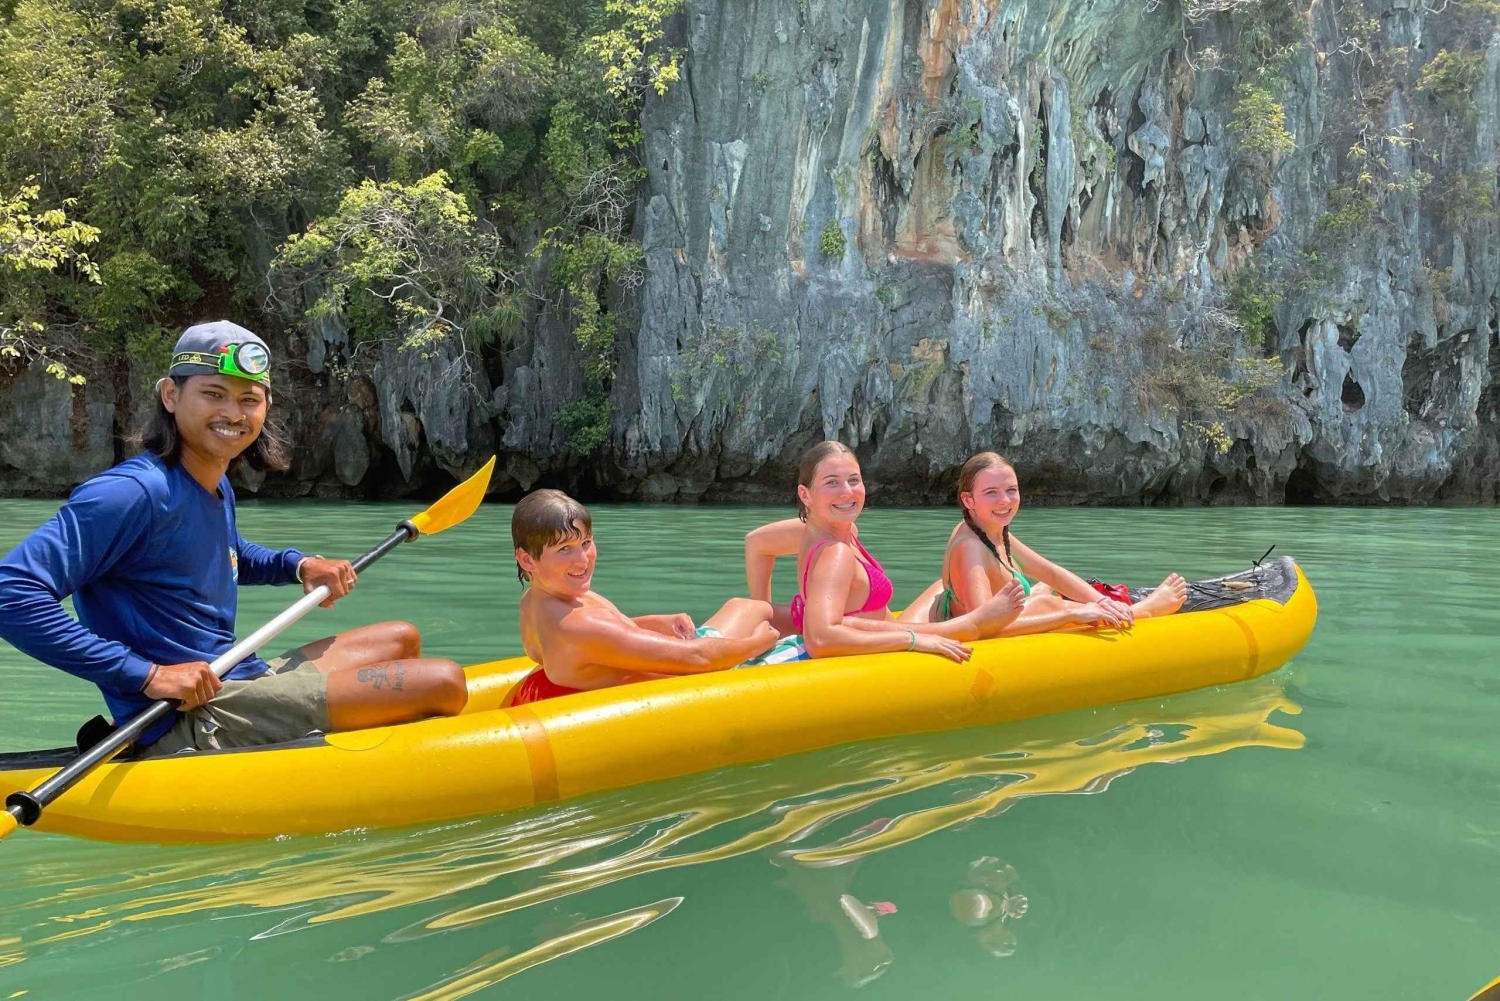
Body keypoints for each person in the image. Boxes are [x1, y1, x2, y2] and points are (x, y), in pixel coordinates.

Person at [0, 320, 468, 757]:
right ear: (170, 395)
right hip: (182, 716)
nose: (233, 413)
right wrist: (146, 675)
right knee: (443, 682)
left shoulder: (212, 481)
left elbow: (224, 553)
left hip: (236, 674)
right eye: (213, 394)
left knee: (401, 637)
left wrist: (297, 566)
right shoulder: (130, 493)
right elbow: (11, 593)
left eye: (249, 399)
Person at [743, 441, 1024, 661]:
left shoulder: (821, 529)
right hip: (879, 641)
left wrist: (764, 612)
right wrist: (912, 640)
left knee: (942, 586)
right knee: (984, 620)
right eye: (832, 482)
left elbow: (756, 543)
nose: (847, 492)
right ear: (805, 495)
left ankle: (979, 620)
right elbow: (820, 640)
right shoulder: (835, 552)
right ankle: (992, 620)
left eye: (854, 480)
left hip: (883, 628)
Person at [508, 489, 786, 706]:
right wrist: (757, 643)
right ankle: (818, 628)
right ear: (527, 559)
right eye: (564, 549)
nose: (583, 560)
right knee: (755, 610)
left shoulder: (536, 601)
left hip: (631, 674)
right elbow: (698, 659)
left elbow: (599, 641)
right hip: (677, 686)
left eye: (586, 543)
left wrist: (654, 623)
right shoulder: (576, 626)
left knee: (744, 607)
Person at [931, 452, 1187, 633]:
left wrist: (1099, 602)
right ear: (968, 500)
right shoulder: (971, 549)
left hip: (983, 613)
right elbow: (983, 627)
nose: (1005, 501)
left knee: (1046, 584)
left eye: (1011, 490)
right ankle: (1144, 611)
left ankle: (1107, 608)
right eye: (991, 493)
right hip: (985, 634)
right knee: (1045, 602)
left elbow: (1049, 571)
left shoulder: (988, 528)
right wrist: (1072, 613)